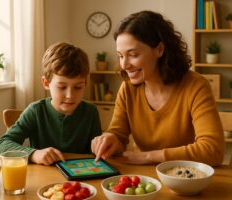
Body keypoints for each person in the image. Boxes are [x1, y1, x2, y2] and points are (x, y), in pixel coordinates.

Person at [91, 10, 224, 166]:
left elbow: (213, 150)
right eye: (121, 56)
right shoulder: (127, 89)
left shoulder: (195, 86)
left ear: (160, 49)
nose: (124, 65)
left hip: (187, 179)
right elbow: (118, 136)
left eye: (133, 55)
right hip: (144, 180)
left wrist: (148, 157)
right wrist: (110, 139)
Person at [0, 42, 102, 165]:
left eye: (78, 87)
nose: (70, 95)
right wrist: (34, 154)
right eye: (62, 87)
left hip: (79, 180)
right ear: (46, 83)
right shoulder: (35, 111)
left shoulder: (91, 112)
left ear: (85, 83)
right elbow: (2, 144)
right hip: (42, 179)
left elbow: (96, 154)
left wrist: (102, 147)